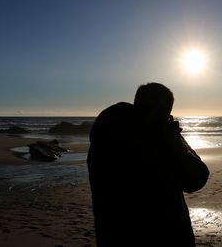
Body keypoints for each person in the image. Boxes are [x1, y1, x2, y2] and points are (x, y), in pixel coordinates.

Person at [87, 82, 210, 247]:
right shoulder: (155, 141)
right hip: (163, 235)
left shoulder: (105, 135)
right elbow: (196, 178)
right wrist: (173, 137)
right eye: (167, 111)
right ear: (161, 111)